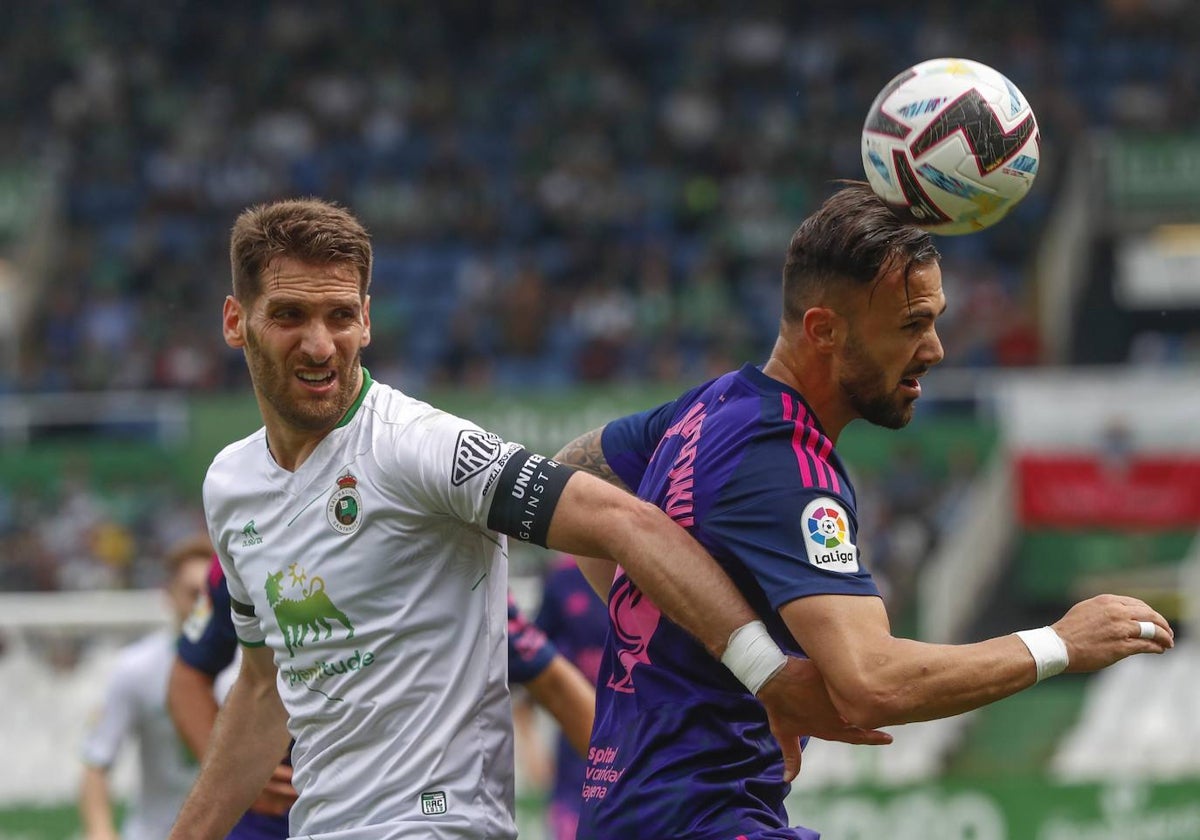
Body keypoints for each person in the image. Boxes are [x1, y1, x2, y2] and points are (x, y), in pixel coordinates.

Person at [167, 198, 886, 840]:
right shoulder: (231, 486)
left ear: (367, 320)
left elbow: (626, 523)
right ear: (237, 322)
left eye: (340, 316)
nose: (320, 344)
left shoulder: (421, 448)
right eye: (290, 315)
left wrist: (768, 675)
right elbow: (264, 689)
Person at [550, 181, 1176, 840]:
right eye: (912, 325)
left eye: (934, 320)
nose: (933, 349)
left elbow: (575, 473)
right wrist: (1059, 644)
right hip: (703, 821)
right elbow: (872, 683)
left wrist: (723, 651)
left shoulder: (712, 406)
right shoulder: (785, 464)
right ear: (823, 330)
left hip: (635, 814)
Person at [167, 559, 591, 840]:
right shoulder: (252, 535)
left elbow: (551, 680)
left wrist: (628, 789)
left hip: (410, 818)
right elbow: (187, 675)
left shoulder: (448, 556)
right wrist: (243, 783)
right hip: (275, 820)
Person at [78, 534, 213, 840]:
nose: (204, 606)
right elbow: (96, 761)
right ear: (169, 595)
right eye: (193, 594)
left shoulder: (250, 672)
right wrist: (101, 831)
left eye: (212, 594)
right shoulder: (136, 668)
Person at [168, 556, 295, 839]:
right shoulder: (246, 543)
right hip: (275, 814)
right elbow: (188, 677)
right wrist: (237, 778)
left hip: (397, 798)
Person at [531, 556, 609, 840]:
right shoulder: (562, 579)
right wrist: (531, 750)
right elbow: (529, 662)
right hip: (576, 767)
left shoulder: (660, 562)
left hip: (651, 757)